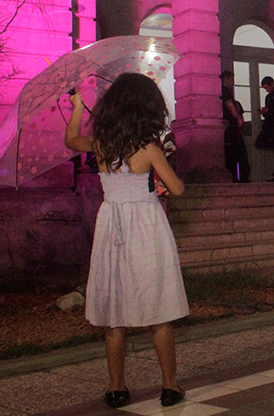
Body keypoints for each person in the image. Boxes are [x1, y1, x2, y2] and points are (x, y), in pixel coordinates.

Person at [65, 74, 187, 409]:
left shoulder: (101, 144)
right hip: (146, 226)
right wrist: (162, 171)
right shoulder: (148, 148)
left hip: (112, 225)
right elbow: (177, 188)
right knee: (158, 308)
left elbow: (72, 140)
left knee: (114, 313)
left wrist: (77, 106)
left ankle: (116, 387)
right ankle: (170, 386)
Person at [220, 71, 250, 183]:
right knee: (239, 152)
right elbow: (229, 104)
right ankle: (242, 178)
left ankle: (235, 177)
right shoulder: (225, 92)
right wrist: (238, 117)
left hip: (230, 128)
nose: (233, 82)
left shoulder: (223, 92)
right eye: (232, 79)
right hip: (231, 128)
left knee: (233, 153)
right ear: (226, 79)